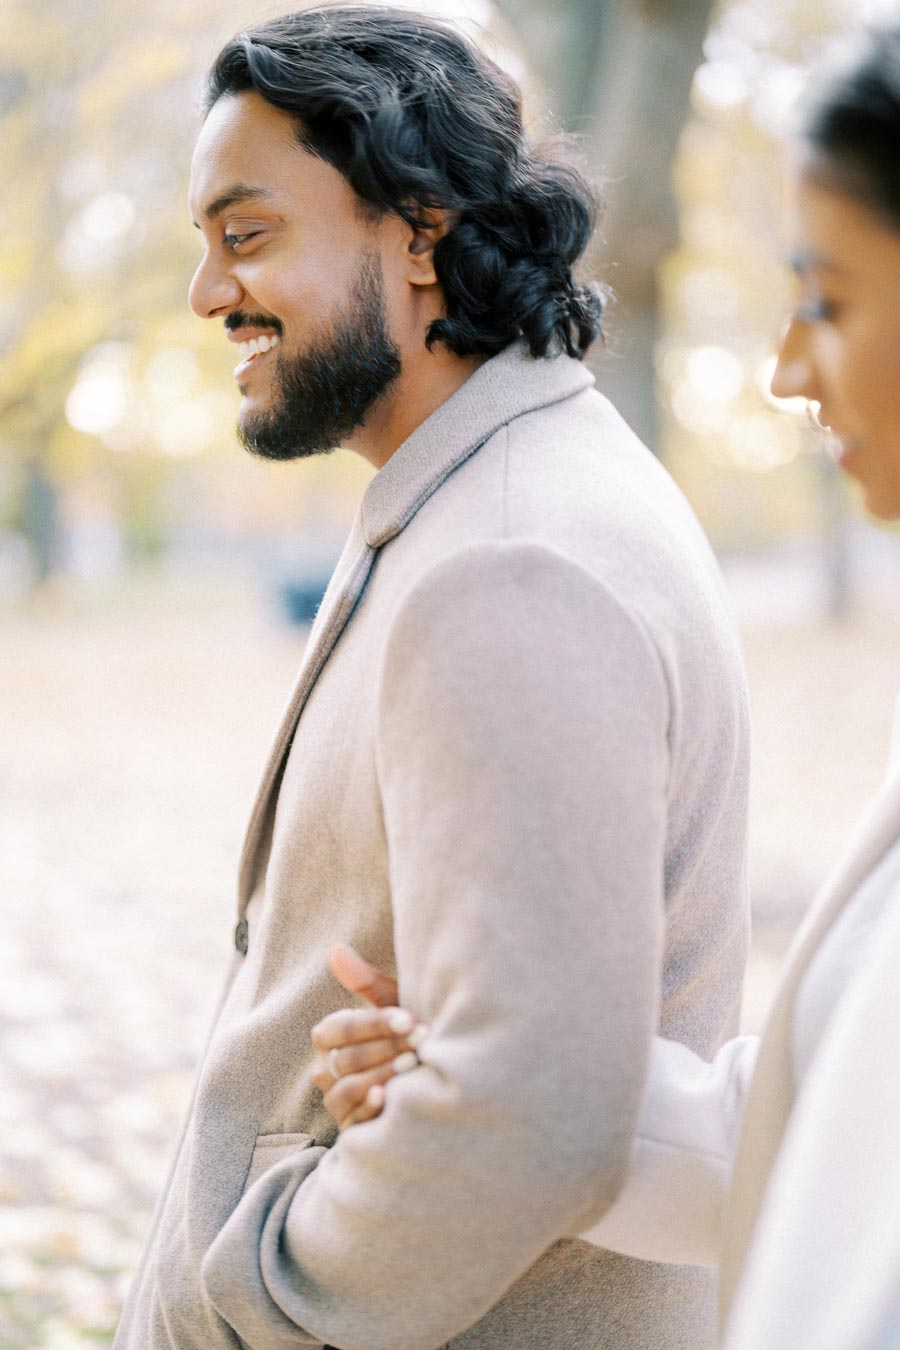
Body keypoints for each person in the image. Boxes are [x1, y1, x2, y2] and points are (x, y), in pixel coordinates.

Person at [114, 9, 751, 1349]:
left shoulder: (514, 561)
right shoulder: (483, 497)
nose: (205, 290)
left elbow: (529, 1111)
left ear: (419, 229)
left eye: (245, 232)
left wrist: (261, 1294)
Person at [314, 22, 900, 1350]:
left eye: (831, 299)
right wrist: (485, 1070)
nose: (786, 371)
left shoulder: (526, 551)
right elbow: (837, 1120)